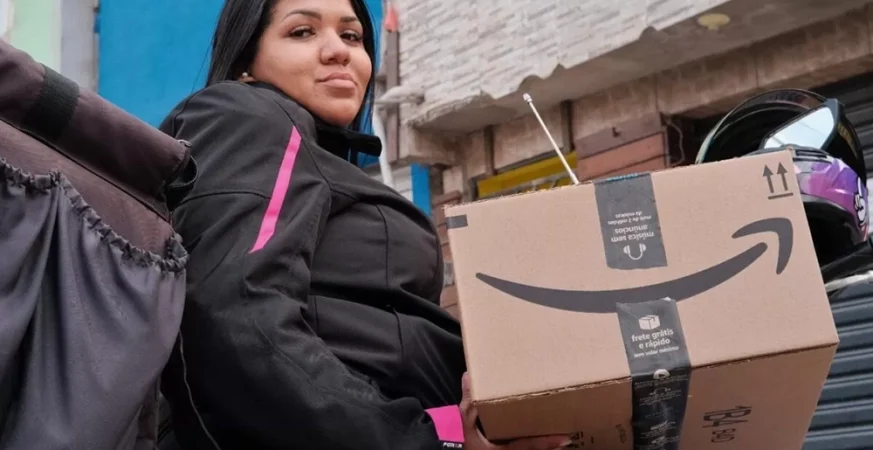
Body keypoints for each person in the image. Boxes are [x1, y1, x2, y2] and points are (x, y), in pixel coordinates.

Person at [157, 0, 573, 449]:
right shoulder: (247, 114)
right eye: (302, 32)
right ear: (245, 63)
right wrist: (421, 443)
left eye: (351, 36)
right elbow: (237, 318)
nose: (338, 50)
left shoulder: (314, 157)